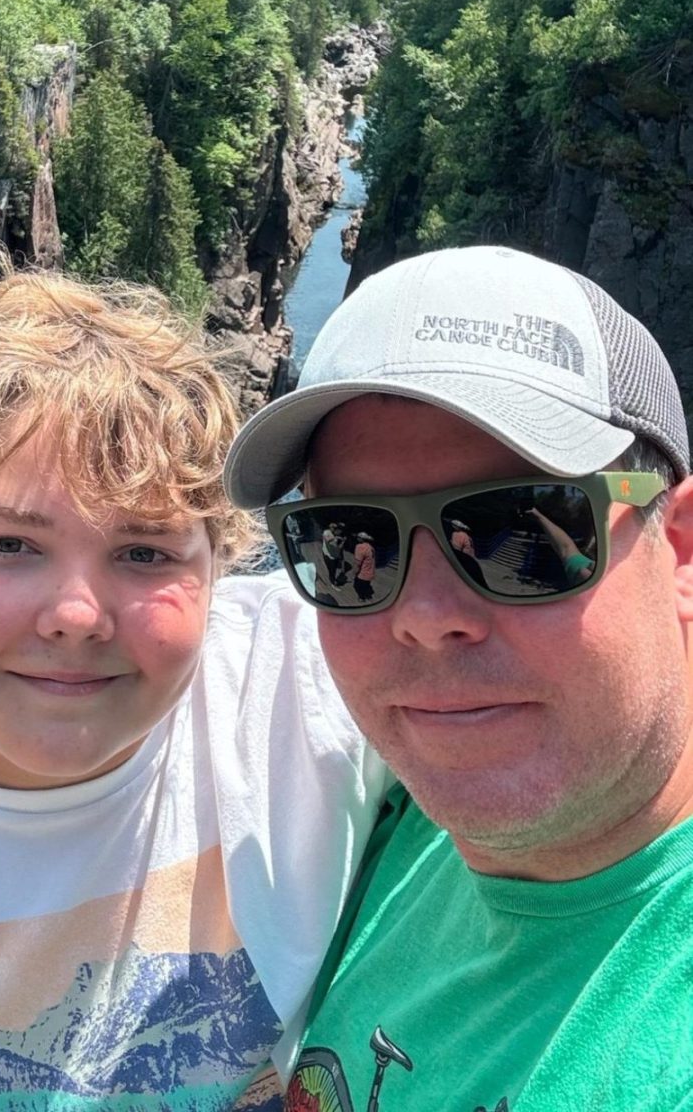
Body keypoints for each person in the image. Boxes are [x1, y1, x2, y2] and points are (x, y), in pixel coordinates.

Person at [0, 268, 384, 1112]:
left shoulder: (318, 681)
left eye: (145, 553)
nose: (77, 616)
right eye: (8, 545)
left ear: (219, 573)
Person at [224, 244, 693, 1112]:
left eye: (522, 530)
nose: (424, 615)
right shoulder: (377, 809)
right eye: (350, 548)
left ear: (681, 549)